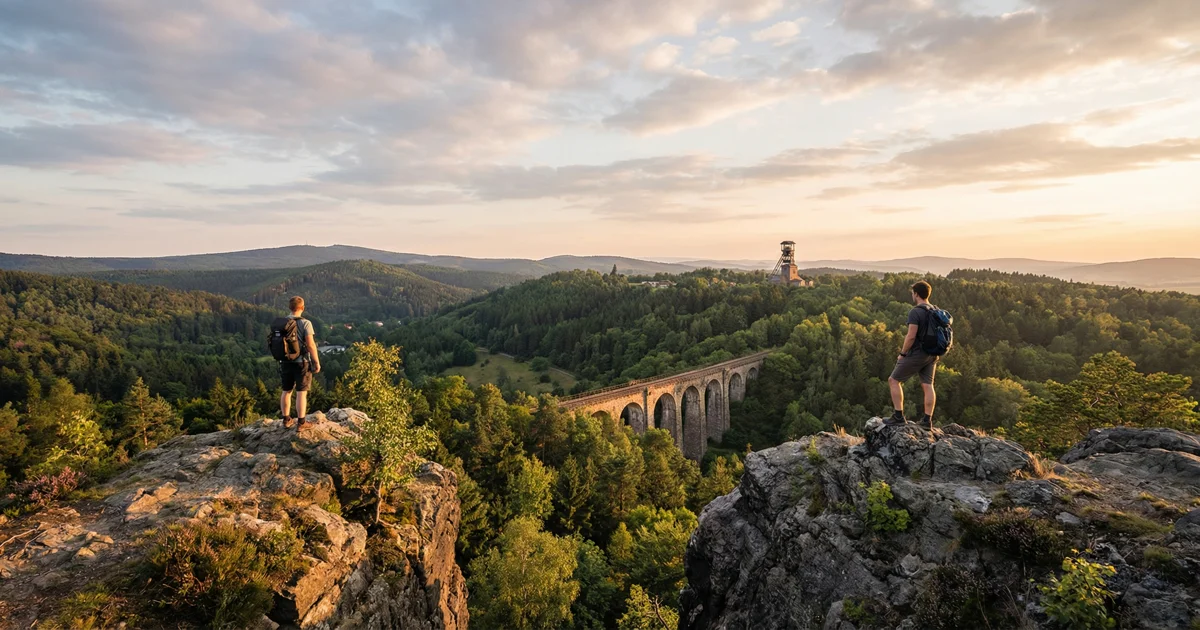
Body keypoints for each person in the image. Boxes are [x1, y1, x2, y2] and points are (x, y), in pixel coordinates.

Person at [886, 281, 939, 429]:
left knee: (893, 380)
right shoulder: (935, 310)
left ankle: (898, 416)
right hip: (932, 354)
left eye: (912, 293)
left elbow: (910, 336)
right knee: (928, 385)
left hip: (917, 353)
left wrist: (903, 353)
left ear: (916, 294)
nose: (912, 295)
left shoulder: (916, 312)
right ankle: (927, 421)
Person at [279, 296, 320, 429]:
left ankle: (286, 420)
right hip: (302, 362)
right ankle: (301, 423)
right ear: (302, 308)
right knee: (301, 392)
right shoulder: (306, 323)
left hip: (285, 361)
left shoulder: (282, 322)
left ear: (290, 308)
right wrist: (316, 362)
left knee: (286, 390)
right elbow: (311, 345)